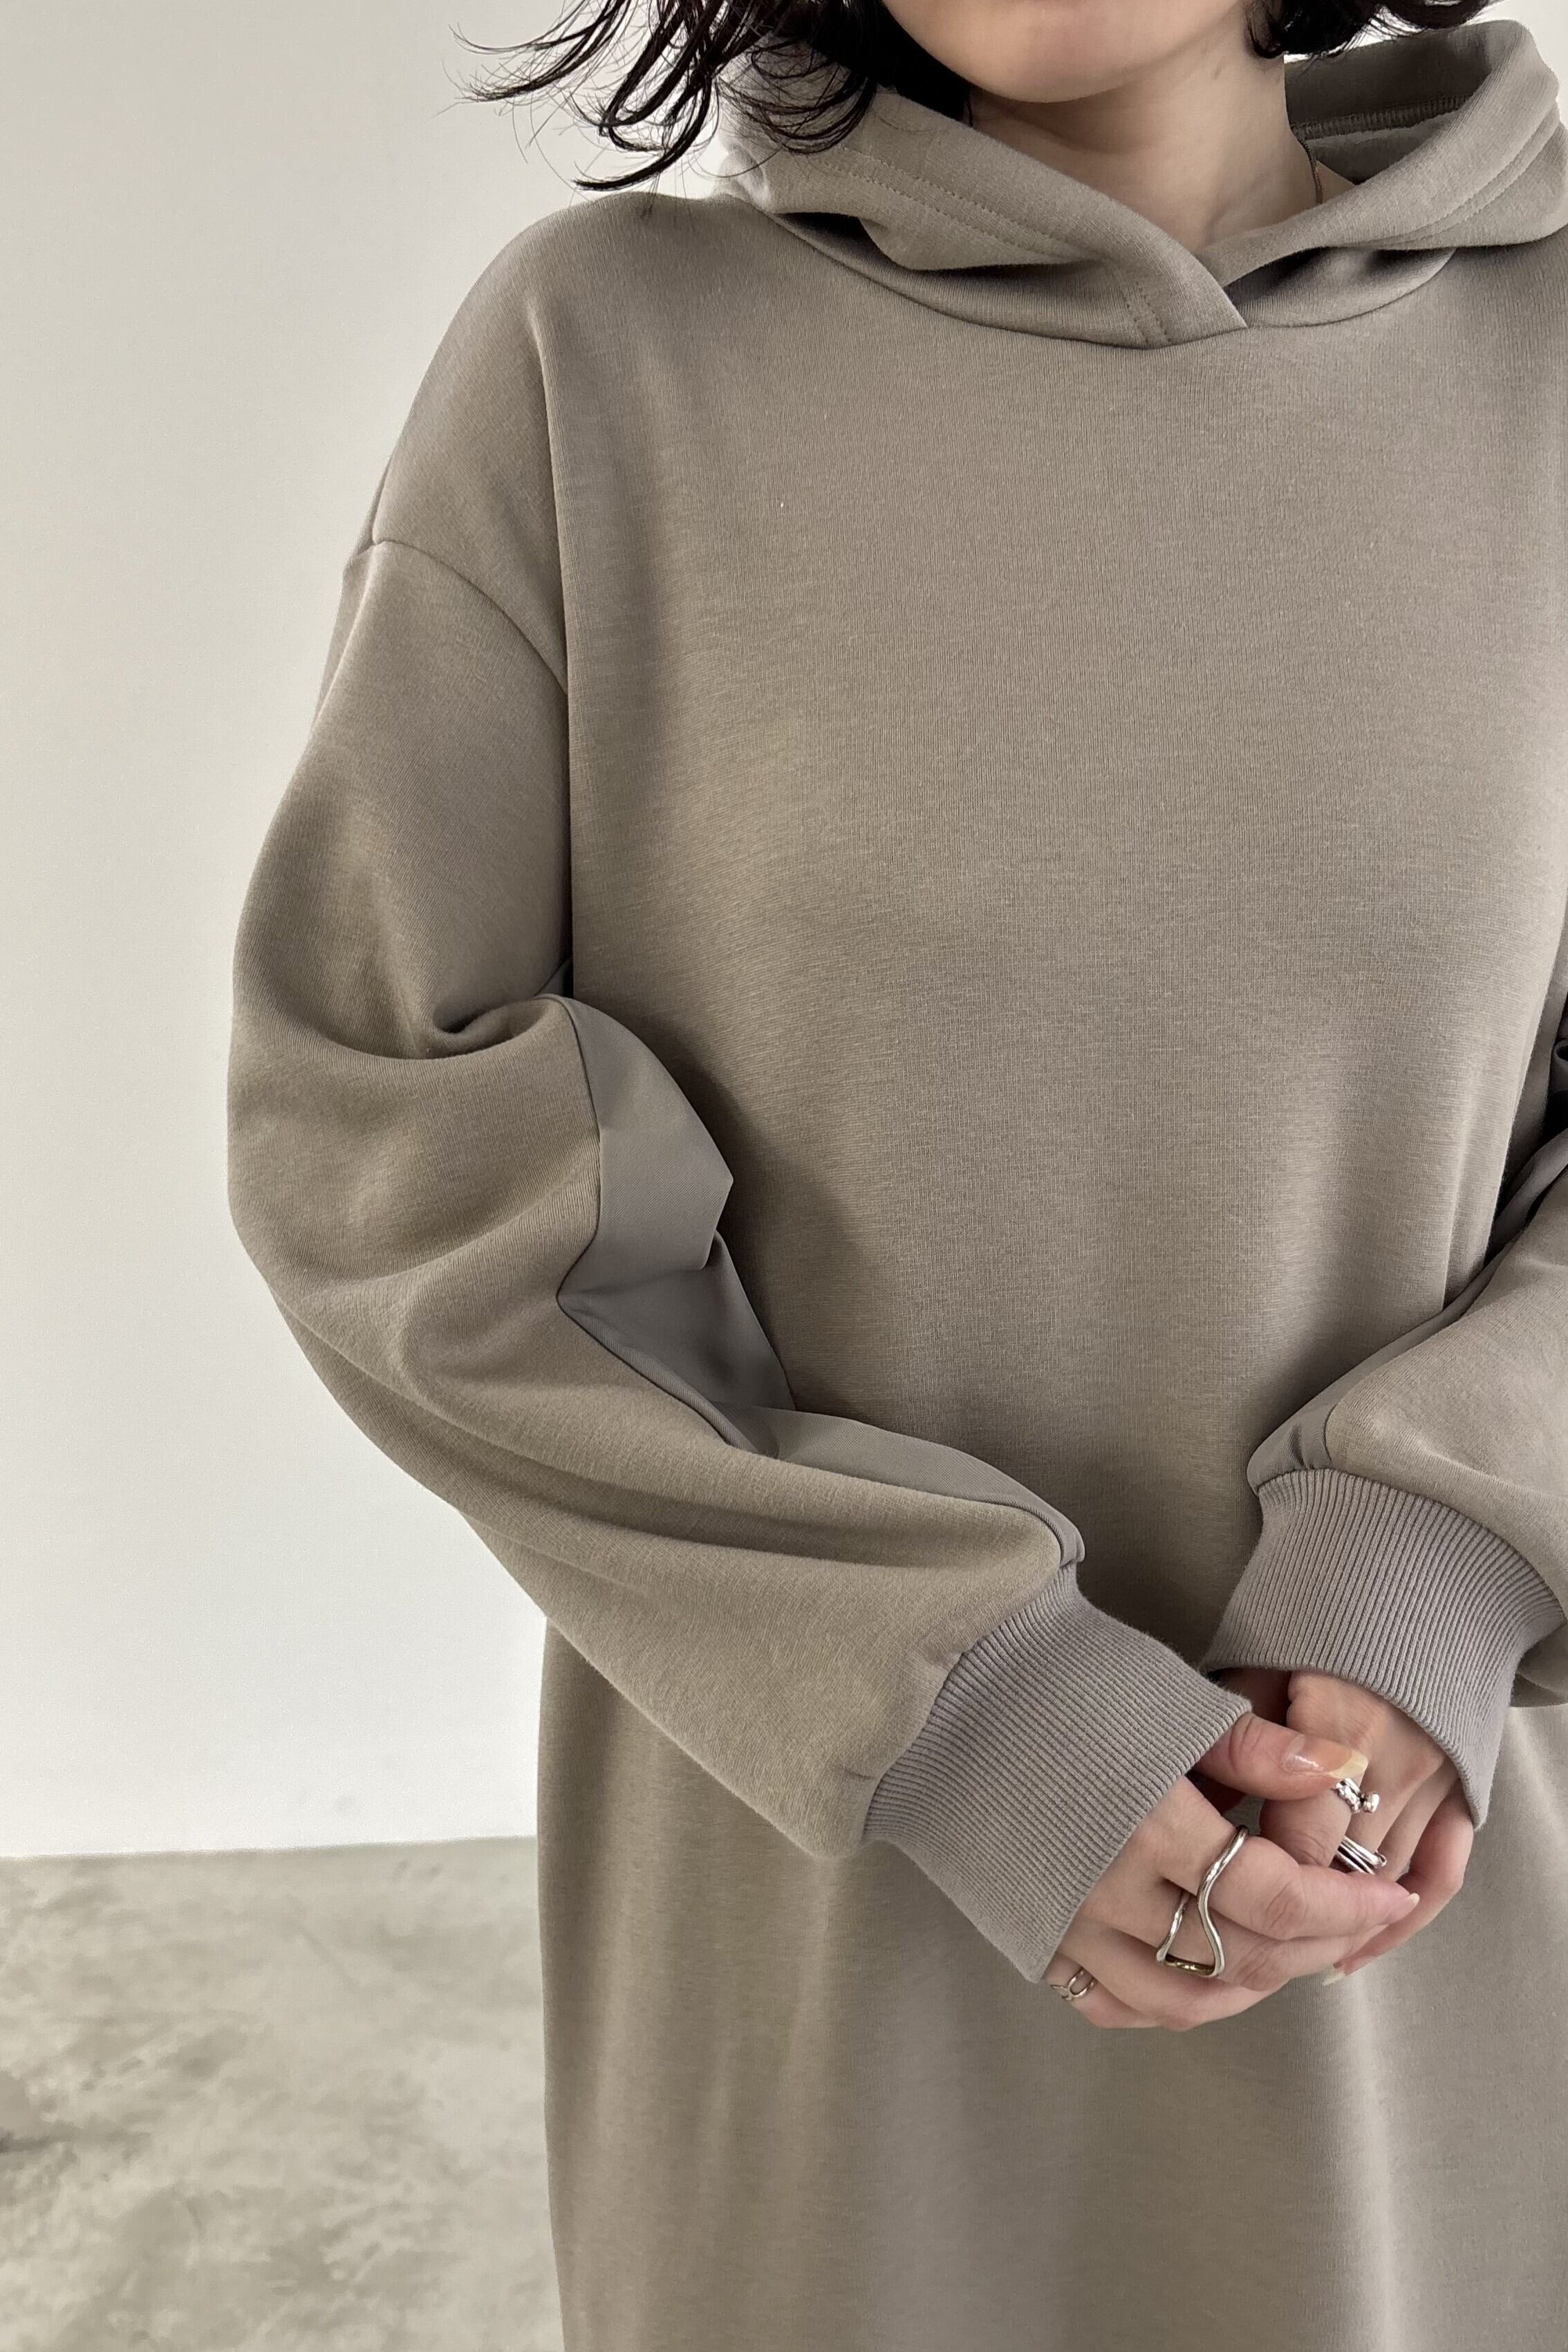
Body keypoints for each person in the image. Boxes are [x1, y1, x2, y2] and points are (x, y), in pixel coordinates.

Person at [225, 3, 1568, 2346]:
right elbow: (385, 1139)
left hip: (1429, 1951)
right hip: (824, 1982)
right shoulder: (600, 371)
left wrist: (1436, 1549)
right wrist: (962, 1701)